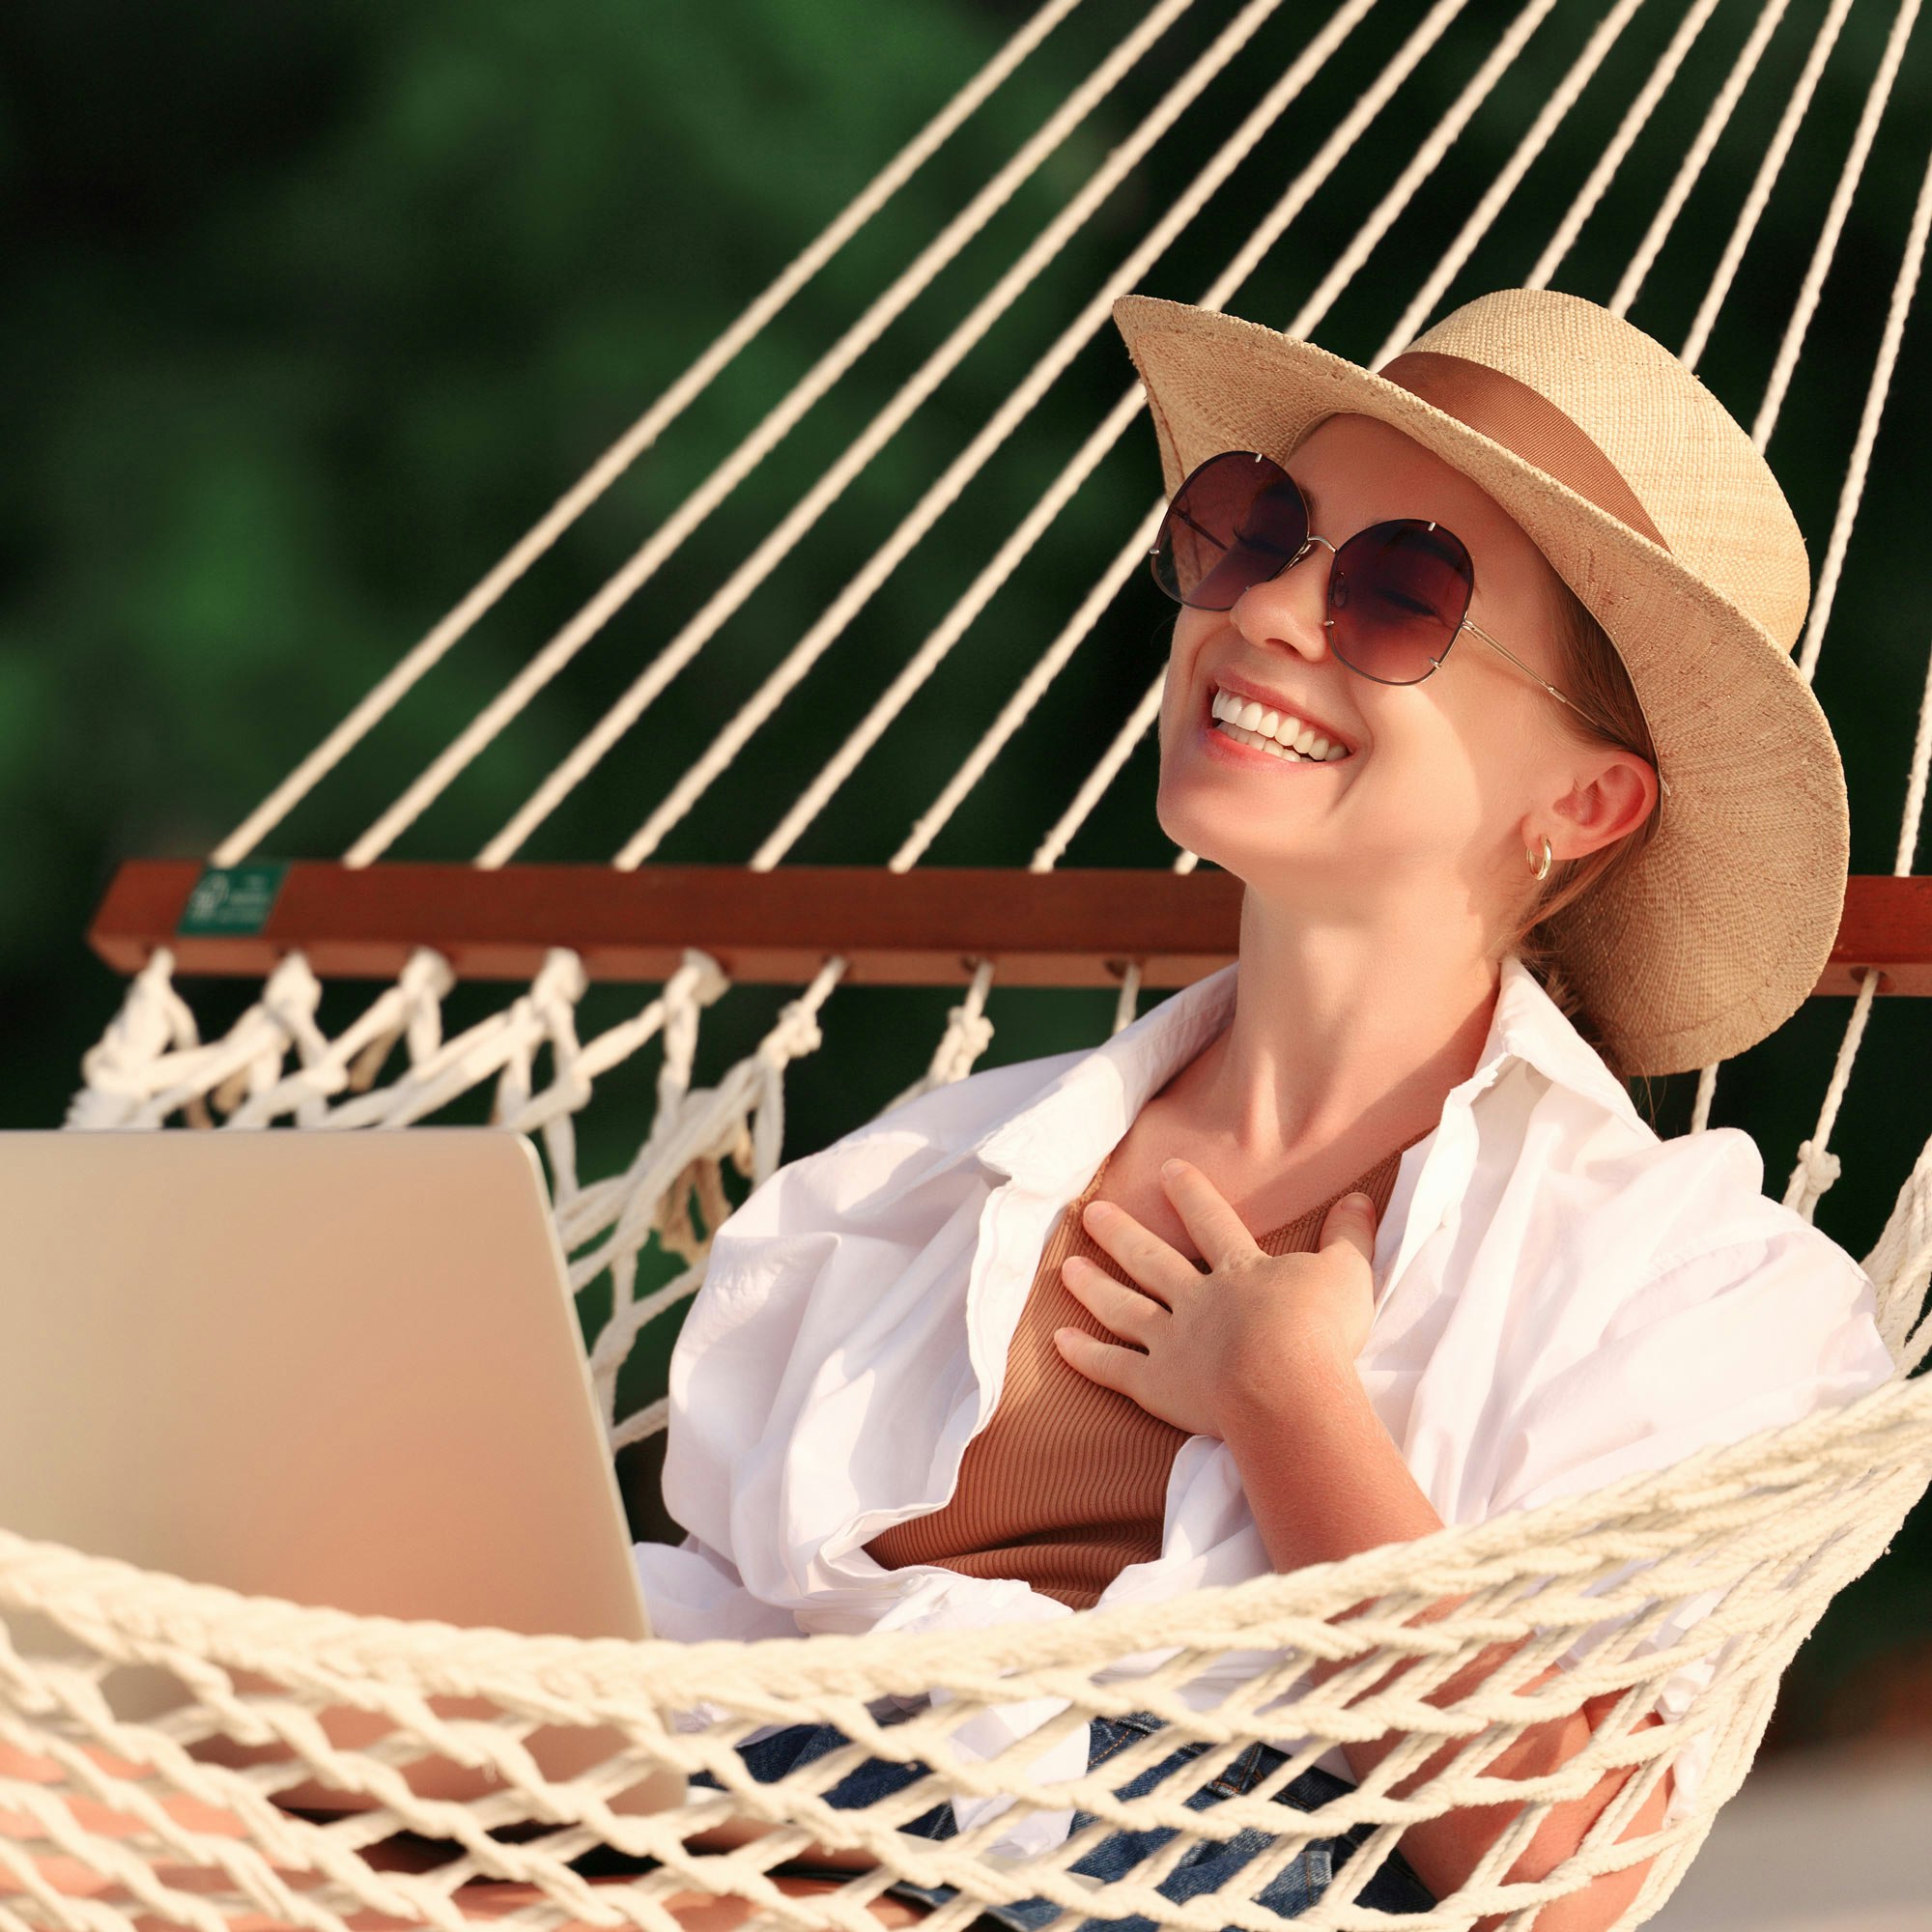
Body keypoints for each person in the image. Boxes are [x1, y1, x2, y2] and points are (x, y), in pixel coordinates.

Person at [632, 287, 1899, 1931]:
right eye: (1259, 535)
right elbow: (707, 1644)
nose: (1275, 612)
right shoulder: (919, 1181)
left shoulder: (1675, 1282)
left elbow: (1565, 1875)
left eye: (1399, 595)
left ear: (1583, 800)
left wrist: (1293, 1405)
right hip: (730, 1823)